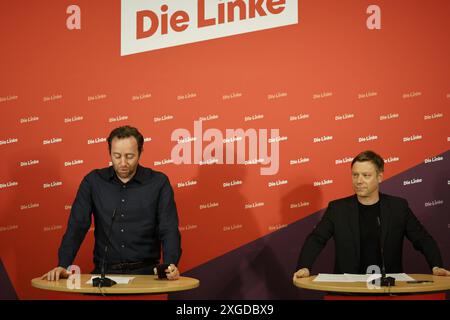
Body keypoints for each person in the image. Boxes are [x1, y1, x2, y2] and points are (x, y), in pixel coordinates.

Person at [43, 125, 182, 281]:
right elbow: (77, 225)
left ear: (140, 152)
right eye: (116, 156)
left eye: (129, 156)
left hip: (147, 275)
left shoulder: (158, 182)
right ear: (109, 152)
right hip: (104, 275)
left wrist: (170, 265)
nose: (123, 163)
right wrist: (63, 264)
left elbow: (168, 228)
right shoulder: (93, 182)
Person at [294, 150, 449, 280]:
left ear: (379, 177)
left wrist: (436, 266)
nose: (359, 181)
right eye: (355, 175)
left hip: (388, 288)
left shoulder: (398, 207)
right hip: (348, 288)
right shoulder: (337, 209)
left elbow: (422, 239)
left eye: (366, 175)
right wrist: (304, 267)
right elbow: (316, 239)